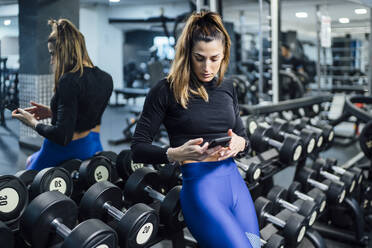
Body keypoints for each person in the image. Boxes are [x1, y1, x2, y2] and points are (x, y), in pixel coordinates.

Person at [131, 11, 260, 248]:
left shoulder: (227, 87)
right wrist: (173, 154)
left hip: (235, 183)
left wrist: (240, 143)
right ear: (187, 53)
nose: (207, 67)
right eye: (200, 58)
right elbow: (137, 148)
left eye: (215, 58)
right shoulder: (166, 90)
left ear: (224, 55)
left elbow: (243, 138)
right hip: (202, 190)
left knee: (254, 244)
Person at [12, 19, 113, 171]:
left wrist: (32, 122)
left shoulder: (69, 80)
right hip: (91, 146)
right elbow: (86, 112)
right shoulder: (106, 78)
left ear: (64, 51)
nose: (52, 61)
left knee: (25, 182)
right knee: (30, 159)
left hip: (62, 150)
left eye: (53, 54)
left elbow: (62, 136)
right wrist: (53, 111)